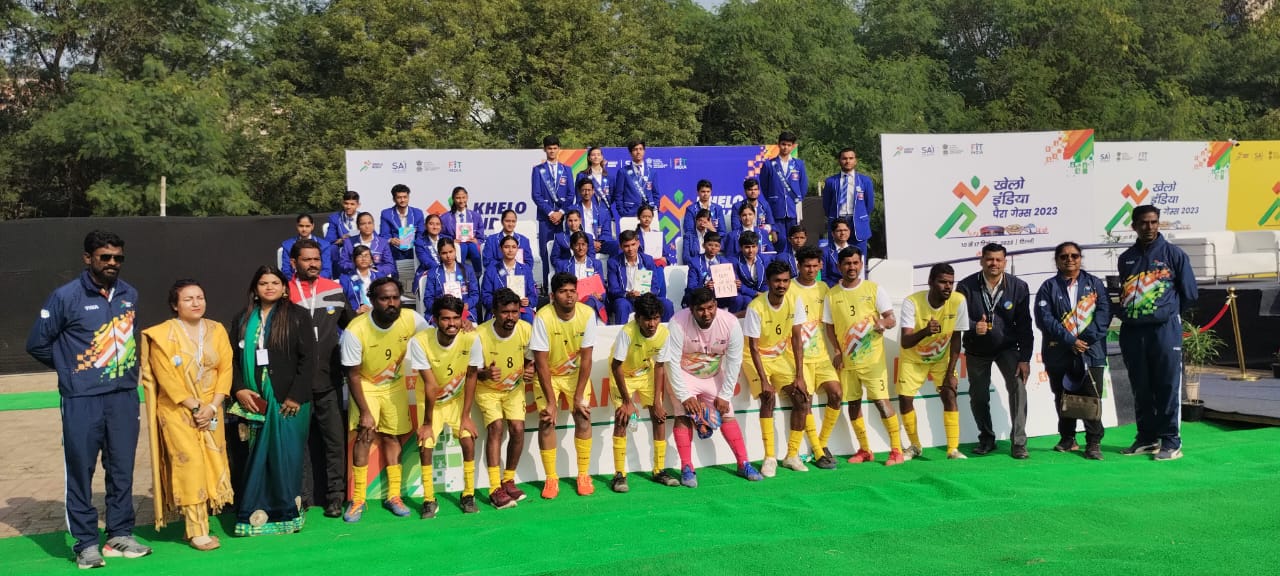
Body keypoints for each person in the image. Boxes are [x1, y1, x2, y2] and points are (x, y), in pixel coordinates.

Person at [26, 230, 152, 568]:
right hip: (82, 398)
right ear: (88, 258)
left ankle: (119, 534)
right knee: (81, 470)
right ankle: (84, 543)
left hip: (124, 396)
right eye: (105, 257)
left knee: (122, 468)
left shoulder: (129, 294)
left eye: (118, 258)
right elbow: (37, 343)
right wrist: (72, 370)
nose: (112, 263)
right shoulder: (65, 297)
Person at [139, 279, 234, 551]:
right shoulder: (162, 335)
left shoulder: (216, 329)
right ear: (174, 305)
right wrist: (194, 406)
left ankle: (198, 521)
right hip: (178, 411)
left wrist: (212, 406)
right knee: (190, 464)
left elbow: (225, 370)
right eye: (188, 299)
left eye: (200, 297)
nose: (196, 303)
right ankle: (196, 529)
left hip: (211, 408)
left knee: (211, 461)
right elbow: (166, 378)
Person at [229, 265, 317, 536]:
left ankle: (287, 515)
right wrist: (239, 389)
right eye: (263, 283)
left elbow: (309, 359)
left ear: (284, 288)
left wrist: (295, 396)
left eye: (274, 283)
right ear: (255, 289)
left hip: (289, 400)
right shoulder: (242, 319)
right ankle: (255, 516)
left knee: (287, 456)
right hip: (254, 400)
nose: (269, 287)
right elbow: (231, 359)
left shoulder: (298, 316)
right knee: (257, 456)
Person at [340, 277, 429, 522]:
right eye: (384, 298)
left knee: (392, 437)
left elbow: (435, 338)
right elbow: (353, 375)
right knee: (365, 435)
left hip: (394, 386)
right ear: (372, 300)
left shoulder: (410, 319)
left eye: (395, 298)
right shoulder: (355, 330)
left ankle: (393, 496)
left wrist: (463, 325)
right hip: (366, 385)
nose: (391, 303)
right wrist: (365, 411)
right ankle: (357, 499)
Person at [1117, 205, 1197, 460]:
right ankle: (1147, 437)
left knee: (1166, 385)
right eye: (1143, 223)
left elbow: (1190, 294)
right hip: (1133, 332)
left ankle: (1171, 441)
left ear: (1159, 223)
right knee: (1141, 386)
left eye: (1153, 222)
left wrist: (1165, 314)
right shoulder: (1126, 258)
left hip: (1164, 332)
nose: (1149, 227)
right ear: (1134, 226)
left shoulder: (1174, 254)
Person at [667, 288, 761, 486]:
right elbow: (671, 362)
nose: (707, 313)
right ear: (691, 309)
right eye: (701, 309)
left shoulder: (730, 323)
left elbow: (735, 361)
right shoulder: (677, 322)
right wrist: (685, 396)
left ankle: (743, 463)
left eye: (711, 308)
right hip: (685, 374)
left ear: (716, 305)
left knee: (727, 413)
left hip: (714, 374)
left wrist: (725, 395)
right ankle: (687, 467)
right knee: (682, 414)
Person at [288, 240, 354, 517]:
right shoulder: (284, 292)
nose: (313, 264)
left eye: (317, 259)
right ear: (294, 263)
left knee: (334, 442)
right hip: (294, 386)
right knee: (296, 446)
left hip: (329, 381)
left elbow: (353, 326)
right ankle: (298, 500)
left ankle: (336, 497)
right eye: (307, 260)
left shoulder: (335, 289)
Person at [822, 247, 906, 466]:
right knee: (853, 404)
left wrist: (882, 324)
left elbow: (891, 318)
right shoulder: (832, 295)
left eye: (855, 263)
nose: (852, 267)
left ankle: (896, 450)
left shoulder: (874, 289)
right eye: (847, 263)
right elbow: (829, 327)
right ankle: (865, 449)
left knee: (881, 402)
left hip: (873, 362)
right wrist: (838, 351)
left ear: (861, 264)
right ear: (839, 266)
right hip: (848, 363)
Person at [956, 243, 1034, 459]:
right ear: (981, 260)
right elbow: (956, 318)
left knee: (1018, 388)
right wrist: (973, 326)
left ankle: (1019, 442)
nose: (994, 263)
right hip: (977, 349)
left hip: (1007, 348)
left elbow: (1025, 325)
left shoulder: (1018, 286)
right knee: (978, 396)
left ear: (1005, 262)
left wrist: (1025, 358)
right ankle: (987, 438)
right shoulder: (965, 286)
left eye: (998, 260)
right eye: (990, 259)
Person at [409, 295, 483, 517]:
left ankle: (468, 494)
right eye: (445, 319)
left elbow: (471, 376)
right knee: (426, 445)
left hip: (457, 400)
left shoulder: (472, 339)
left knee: (467, 440)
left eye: (455, 319)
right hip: (430, 402)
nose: (451, 324)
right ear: (434, 320)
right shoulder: (419, 341)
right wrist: (427, 423)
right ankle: (429, 499)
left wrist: (466, 415)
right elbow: (430, 386)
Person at [1035, 242, 1110, 460]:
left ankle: (1093, 443)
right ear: (1057, 260)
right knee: (1062, 395)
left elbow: (1104, 315)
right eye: (1064, 256)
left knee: (1090, 397)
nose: (1070, 260)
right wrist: (1070, 341)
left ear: (1080, 258)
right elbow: (1045, 319)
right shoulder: (1048, 287)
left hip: (1090, 351)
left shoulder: (1095, 284)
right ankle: (1068, 438)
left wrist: (1083, 341)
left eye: (1074, 256)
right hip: (1059, 352)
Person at [530, 273, 599, 498]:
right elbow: (540, 364)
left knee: (583, 416)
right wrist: (551, 402)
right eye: (563, 291)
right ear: (552, 296)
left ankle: (583, 475)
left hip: (575, 376)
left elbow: (587, 359)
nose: (569, 296)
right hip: (549, 375)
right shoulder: (542, 317)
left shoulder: (587, 314)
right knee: (547, 421)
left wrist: (579, 396)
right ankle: (551, 479)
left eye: (572, 291)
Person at [608, 293, 683, 492]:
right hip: (622, 374)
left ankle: (658, 470)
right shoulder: (627, 332)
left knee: (659, 417)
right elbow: (616, 367)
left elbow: (660, 367)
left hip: (646, 373)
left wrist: (658, 402)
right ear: (638, 318)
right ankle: (619, 474)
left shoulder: (663, 334)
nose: (652, 324)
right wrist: (627, 401)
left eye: (656, 318)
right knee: (622, 418)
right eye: (647, 319)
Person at [743, 261, 809, 476]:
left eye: (786, 280)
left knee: (802, 398)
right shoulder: (756, 307)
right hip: (757, 356)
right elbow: (753, 347)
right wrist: (764, 380)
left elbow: (797, 339)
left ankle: (792, 455)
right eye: (777, 281)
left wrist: (800, 375)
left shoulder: (794, 300)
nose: (782, 285)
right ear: (769, 282)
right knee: (768, 396)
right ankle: (769, 457)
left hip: (780, 355)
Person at [898, 263, 969, 460]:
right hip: (913, 358)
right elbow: (905, 342)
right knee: (905, 399)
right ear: (930, 282)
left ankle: (952, 449)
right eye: (942, 282)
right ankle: (915, 446)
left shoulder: (958, 300)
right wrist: (926, 331)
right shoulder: (911, 302)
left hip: (941, 357)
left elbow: (956, 338)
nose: (947, 287)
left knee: (949, 393)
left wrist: (950, 373)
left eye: (951, 283)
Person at [475, 289, 534, 509]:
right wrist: (485, 374)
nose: (510, 317)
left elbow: (531, 360)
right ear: (494, 313)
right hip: (488, 390)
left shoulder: (526, 330)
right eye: (505, 312)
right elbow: (472, 372)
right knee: (496, 428)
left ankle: (508, 479)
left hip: (514, 390)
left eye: (514, 312)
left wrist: (530, 370)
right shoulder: (480, 335)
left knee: (518, 429)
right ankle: (493, 488)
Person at [790, 247, 840, 469]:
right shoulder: (789, 288)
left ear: (821, 266)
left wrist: (837, 349)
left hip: (821, 355)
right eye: (806, 266)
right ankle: (819, 452)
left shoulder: (824, 288)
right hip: (798, 358)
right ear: (798, 265)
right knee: (806, 401)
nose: (811, 270)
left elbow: (830, 323)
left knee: (837, 394)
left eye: (814, 265)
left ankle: (822, 443)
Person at [532, 135, 574, 287]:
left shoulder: (567, 169)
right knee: (545, 252)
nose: (552, 151)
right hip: (546, 218)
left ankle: (564, 284)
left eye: (555, 148)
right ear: (545, 149)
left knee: (565, 251)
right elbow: (535, 195)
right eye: (549, 148)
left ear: (559, 149)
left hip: (563, 218)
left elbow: (571, 195)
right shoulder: (538, 170)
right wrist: (551, 213)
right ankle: (546, 286)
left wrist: (561, 212)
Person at [606, 230, 675, 324]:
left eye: (633, 244)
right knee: (621, 305)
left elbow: (655, 287)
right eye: (626, 246)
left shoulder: (648, 260)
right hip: (627, 300)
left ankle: (667, 335)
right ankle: (621, 336)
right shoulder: (613, 262)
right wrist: (627, 294)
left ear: (638, 243)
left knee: (667, 304)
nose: (630, 249)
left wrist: (647, 294)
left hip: (646, 298)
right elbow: (613, 290)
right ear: (621, 246)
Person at [821, 148, 874, 256]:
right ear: (839, 161)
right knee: (836, 256)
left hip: (858, 222)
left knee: (859, 256)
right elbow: (826, 205)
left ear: (855, 160)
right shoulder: (831, 181)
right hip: (838, 220)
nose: (847, 161)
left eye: (851, 158)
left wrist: (860, 215)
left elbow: (869, 205)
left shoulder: (865, 180)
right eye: (844, 158)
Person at [760, 131, 808, 251]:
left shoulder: (799, 164)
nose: (785, 147)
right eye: (783, 144)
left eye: (788, 145)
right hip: (776, 209)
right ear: (778, 145)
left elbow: (803, 186)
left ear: (792, 146)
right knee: (779, 241)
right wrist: (774, 200)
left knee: (795, 241)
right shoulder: (769, 164)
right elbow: (765, 187)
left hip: (793, 209)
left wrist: (796, 200)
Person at [418, 237, 479, 325]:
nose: (448, 256)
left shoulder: (467, 270)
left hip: (463, 311)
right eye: (444, 253)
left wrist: (466, 305)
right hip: (441, 313)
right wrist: (440, 309)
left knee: (467, 329)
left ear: (455, 251)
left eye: (451, 252)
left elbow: (475, 295)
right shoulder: (433, 273)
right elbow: (428, 299)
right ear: (439, 254)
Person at [481, 235, 537, 323]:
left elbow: (533, 295)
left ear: (517, 249)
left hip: (520, 308)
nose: (510, 250)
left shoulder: (526, 270)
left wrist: (528, 301)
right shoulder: (491, 270)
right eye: (506, 247)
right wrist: (499, 304)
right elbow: (485, 296)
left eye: (514, 247)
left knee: (528, 318)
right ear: (500, 248)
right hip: (500, 309)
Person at [554, 231, 607, 321]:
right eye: (577, 245)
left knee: (591, 300)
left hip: (592, 300)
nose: (580, 248)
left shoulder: (596, 264)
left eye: (583, 244)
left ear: (587, 246)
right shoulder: (563, 265)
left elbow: (602, 288)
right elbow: (558, 288)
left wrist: (600, 296)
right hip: (571, 300)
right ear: (572, 246)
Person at [379, 184, 427, 281]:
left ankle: (417, 283)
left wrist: (414, 242)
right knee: (387, 249)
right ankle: (394, 281)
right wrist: (391, 240)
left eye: (405, 197)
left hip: (413, 247)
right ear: (394, 199)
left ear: (408, 197)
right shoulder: (386, 213)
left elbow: (421, 233)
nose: (402, 200)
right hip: (395, 248)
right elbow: (384, 234)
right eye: (399, 197)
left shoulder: (418, 213)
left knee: (422, 249)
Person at [440, 186, 486, 277]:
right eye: (458, 198)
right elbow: (441, 234)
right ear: (453, 199)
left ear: (467, 197)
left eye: (463, 197)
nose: (461, 201)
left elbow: (481, 236)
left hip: (472, 246)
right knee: (463, 247)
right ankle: (460, 274)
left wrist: (476, 241)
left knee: (472, 247)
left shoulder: (476, 216)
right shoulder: (445, 218)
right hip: (457, 246)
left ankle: (478, 276)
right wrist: (452, 241)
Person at [337, 212, 395, 278]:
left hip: (378, 278)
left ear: (373, 225)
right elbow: (342, 264)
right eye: (363, 224)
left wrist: (374, 270)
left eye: (369, 223)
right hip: (356, 276)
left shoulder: (383, 242)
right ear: (358, 226)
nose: (367, 226)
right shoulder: (349, 242)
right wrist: (357, 266)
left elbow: (390, 266)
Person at [685, 231, 733, 309]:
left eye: (716, 246)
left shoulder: (725, 262)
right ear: (703, 245)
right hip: (699, 296)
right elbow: (691, 287)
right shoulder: (695, 262)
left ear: (720, 248)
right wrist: (704, 287)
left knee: (738, 299)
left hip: (719, 296)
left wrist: (734, 283)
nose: (713, 248)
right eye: (710, 245)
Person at [572, 177, 617, 256]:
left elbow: (606, 232)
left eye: (589, 190)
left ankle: (612, 268)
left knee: (616, 246)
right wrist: (591, 242)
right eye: (583, 190)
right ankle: (591, 268)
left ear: (593, 191)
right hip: (582, 243)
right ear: (579, 191)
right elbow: (573, 231)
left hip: (600, 243)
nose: (586, 193)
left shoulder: (603, 211)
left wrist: (599, 242)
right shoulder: (573, 210)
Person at [614, 139, 659, 221]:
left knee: (649, 234)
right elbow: (619, 194)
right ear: (631, 152)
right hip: (630, 212)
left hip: (649, 213)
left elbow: (656, 193)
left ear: (644, 151)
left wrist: (655, 208)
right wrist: (622, 211)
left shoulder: (652, 172)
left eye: (640, 149)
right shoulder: (623, 171)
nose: (638, 152)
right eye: (635, 149)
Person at [730, 230, 772, 315]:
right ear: (741, 247)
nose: (751, 250)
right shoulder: (733, 261)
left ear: (758, 247)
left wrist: (766, 293)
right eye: (747, 247)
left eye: (754, 246)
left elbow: (765, 281)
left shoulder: (765, 260)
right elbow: (738, 285)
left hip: (760, 290)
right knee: (747, 301)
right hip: (743, 293)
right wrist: (756, 293)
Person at [279, 214, 333, 281]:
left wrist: (313, 280)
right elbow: (286, 271)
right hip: (296, 283)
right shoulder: (287, 245)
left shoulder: (324, 245)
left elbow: (327, 270)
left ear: (312, 226)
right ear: (297, 226)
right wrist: (298, 281)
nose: (304, 229)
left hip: (318, 281)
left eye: (307, 226)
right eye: (301, 226)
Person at [340, 245, 391, 313]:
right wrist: (356, 311)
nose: (363, 259)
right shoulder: (345, 279)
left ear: (371, 260)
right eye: (360, 256)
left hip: (378, 314)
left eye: (366, 256)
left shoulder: (380, 277)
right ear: (354, 260)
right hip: (356, 316)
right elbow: (343, 302)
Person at [682, 179, 728, 246]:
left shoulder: (718, 209)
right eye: (703, 191)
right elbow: (689, 231)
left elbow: (722, 232)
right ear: (698, 192)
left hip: (714, 243)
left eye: (708, 191)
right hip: (697, 243)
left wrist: (712, 229)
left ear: (711, 192)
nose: (705, 194)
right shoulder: (690, 209)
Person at [576, 146, 616, 223]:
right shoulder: (582, 175)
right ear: (589, 158)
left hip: (605, 212)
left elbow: (613, 195)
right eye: (593, 155)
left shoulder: (609, 176)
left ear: (602, 157)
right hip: (587, 213)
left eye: (598, 154)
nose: (596, 157)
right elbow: (578, 196)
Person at [325, 190, 362, 271]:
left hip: (362, 248)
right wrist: (341, 240)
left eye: (352, 204)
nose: (348, 207)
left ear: (358, 205)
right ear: (342, 203)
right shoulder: (335, 218)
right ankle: (336, 277)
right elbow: (329, 240)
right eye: (346, 203)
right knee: (332, 249)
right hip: (343, 249)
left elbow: (373, 235)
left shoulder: (364, 217)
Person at [822, 218, 854, 286]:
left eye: (845, 230)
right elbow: (822, 278)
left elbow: (861, 274)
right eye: (839, 230)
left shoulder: (856, 251)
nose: (843, 233)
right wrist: (837, 285)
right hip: (832, 290)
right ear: (833, 234)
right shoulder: (824, 252)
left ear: (849, 232)